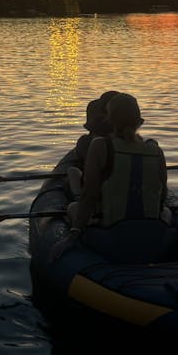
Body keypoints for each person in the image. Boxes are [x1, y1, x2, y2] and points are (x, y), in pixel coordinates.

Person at [53, 93, 168, 260]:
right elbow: (162, 196)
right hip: (150, 233)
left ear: (110, 120)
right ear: (139, 121)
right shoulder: (156, 151)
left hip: (111, 234)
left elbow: (89, 195)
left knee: (73, 208)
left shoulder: (100, 145)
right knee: (167, 212)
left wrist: (73, 234)